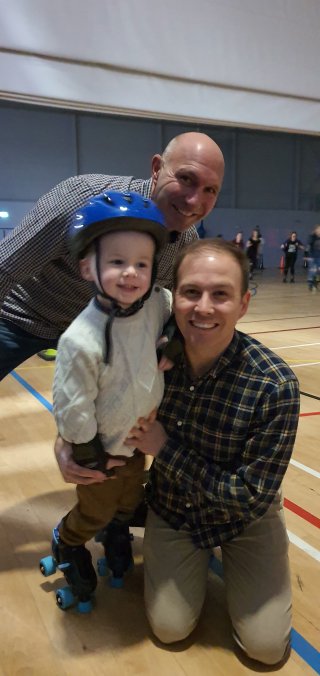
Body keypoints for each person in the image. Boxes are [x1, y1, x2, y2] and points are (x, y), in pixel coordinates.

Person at [126, 238, 300, 666]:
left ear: (242, 304)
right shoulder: (152, 358)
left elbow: (250, 497)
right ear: (174, 299)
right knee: (170, 630)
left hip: (246, 517)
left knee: (265, 649)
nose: (203, 308)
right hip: (173, 507)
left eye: (220, 294)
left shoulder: (274, 385)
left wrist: (164, 448)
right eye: (191, 292)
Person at [0, 131, 224, 381]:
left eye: (210, 190)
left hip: (103, 331)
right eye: (185, 178)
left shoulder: (186, 241)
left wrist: (173, 335)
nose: (194, 201)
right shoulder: (80, 198)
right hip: (24, 317)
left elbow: (181, 303)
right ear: (156, 168)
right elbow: (4, 269)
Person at [41, 191, 172, 609]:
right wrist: (86, 451)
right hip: (101, 454)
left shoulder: (153, 304)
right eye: (117, 262)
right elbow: (72, 402)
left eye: (142, 264)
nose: (131, 273)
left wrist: (178, 340)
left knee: (132, 496)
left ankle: (117, 530)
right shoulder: (80, 339)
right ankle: (68, 539)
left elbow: (171, 305)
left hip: (137, 440)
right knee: (96, 508)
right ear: (87, 267)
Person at [306, 224, 320, 291]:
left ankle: (316, 283)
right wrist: (307, 255)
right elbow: (308, 246)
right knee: (313, 271)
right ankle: (310, 284)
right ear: (315, 230)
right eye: (318, 229)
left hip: (319, 257)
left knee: (318, 271)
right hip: (312, 257)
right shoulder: (312, 237)